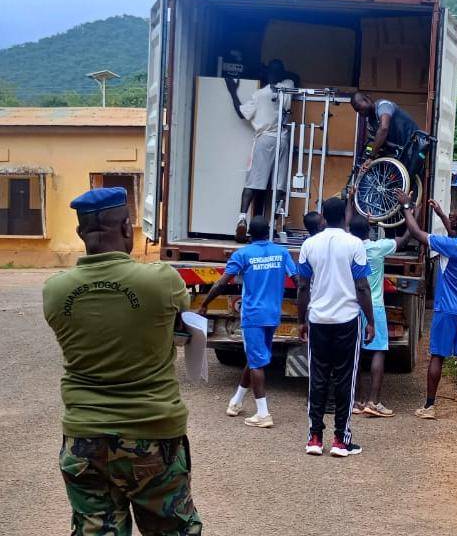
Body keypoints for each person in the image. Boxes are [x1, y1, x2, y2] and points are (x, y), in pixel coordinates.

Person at [42, 187, 202, 534]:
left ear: (80, 233)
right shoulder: (161, 281)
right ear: (128, 228)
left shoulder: (55, 291)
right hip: (152, 434)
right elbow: (183, 325)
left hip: (84, 437)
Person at [392, 189, 457, 423]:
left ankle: (430, 406)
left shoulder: (448, 245)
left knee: (438, 357)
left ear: (455, 223)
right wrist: (443, 214)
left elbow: (415, 232)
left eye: (452, 217)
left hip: (446, 309)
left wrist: (405, 206)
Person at [197, 216, 298, 428]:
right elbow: (297, 280)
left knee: (256, 361)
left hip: (252, 315)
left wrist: (205, 303)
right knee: (255, 358)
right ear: (269, 232)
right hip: (272, 314)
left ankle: (263, 413)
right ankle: (236, 401)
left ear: (249, 234)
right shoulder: (281, 252)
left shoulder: (242, 254)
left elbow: (222, 283)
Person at [297, 197, 376, 457]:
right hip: (347, 321)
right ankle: (341, 440)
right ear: (345, 216)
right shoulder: (354, 244)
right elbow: (362, 286)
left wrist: (301, 320)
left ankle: (315, 438)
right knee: (345, 379)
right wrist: (370, 320)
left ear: (322, 216)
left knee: (317, 379)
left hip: (318, 319)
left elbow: (303, 286)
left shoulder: (309, 244)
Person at [345, 189, 412, 417]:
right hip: (374, 306)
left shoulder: (345, 247)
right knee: (378, 352)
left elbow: (347, 225)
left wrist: (350, 203)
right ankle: (374, 402)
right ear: (370, 230)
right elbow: (404, 239)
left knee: (354, 355)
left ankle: (355, 401)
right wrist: (410, 207)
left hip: (351, 306)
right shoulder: (377, 247)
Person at [229, 59, 296, 242]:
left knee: (253, 182)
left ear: (267, 74)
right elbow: (293, 76)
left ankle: (242, 219)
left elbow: (241, 113)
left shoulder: (259, 94)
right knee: (278, 185)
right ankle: (273, 225)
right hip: (282, 139)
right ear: (281, 73)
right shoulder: (288, 86)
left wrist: (232, 91)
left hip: (264, 139)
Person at [351, 91, 427, 178]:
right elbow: (380, 142)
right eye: (357, 111)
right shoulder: (371, 121)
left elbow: (384, 128)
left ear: (367, 99)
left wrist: (371, 157)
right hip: (403, 150)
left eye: (359, 107)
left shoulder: (383, 105)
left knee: (413, 176)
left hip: (415, 145)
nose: (360, 112)